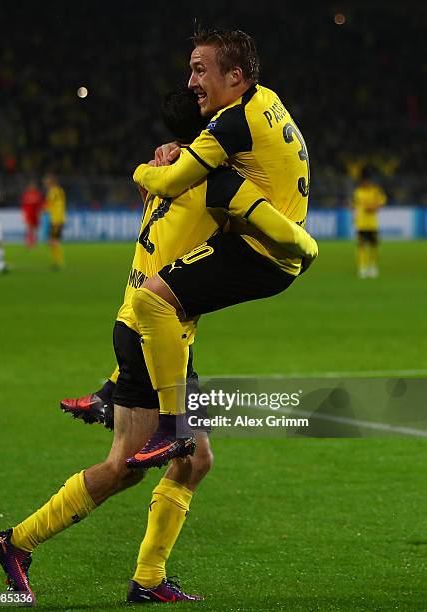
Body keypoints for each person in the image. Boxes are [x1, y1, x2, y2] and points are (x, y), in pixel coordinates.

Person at [0, 87, 317, 605]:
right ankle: (17, 543)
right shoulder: (211, 180)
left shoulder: (173, 169)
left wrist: (157, 160)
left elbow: (172, 181)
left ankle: (147, 577)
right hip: (152, 330)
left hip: (153, 327)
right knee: (125, 466)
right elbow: (256, 227)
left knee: (194, 457)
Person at [129, 28, 314, 467]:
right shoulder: (265, 100)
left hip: (259, 252)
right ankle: (127, 388)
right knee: (174, 302)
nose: (191, 82)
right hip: (272, 246)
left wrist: (141, 172)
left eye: (200, 70)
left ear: (235, 76)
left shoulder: (232, 123)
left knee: (153, 299)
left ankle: (172, 425)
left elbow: (172, 181)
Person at [352, 166, 387, 278]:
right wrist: (355, 219)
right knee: (361, 246)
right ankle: (362, 267)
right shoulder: (358, 192)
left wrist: (374, 206)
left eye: (367, 180)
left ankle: (372, 267)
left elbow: (383, 200)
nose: (366, 182)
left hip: (372, 224)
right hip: (361, 224)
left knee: (373, 246)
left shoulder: (375, 190)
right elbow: (355, 207)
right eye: (364, 181)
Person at [43, 173, 66, 269]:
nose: (45, 184)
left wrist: (41, 210)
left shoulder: (52, 192)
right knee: (53, 241)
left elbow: (48, 205)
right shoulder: (61, 190)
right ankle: (57, 261)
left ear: (51, 182)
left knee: (53, 241)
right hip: (60, 218)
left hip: (56, 219)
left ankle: (58, 262)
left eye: (46, 182)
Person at [21, 179, 44, 248]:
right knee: (29, 229)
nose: (32, 187)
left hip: (36, 215)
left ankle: (34, 243)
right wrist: (24, 214)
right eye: (31, 186)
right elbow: (23, 205)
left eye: (33, 186)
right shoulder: (26, 194)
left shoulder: (38, 194)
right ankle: (28, 243)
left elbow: (41, 205)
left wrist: (40, 213)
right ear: (29, 186)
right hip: (29, 214)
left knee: (35, 230)